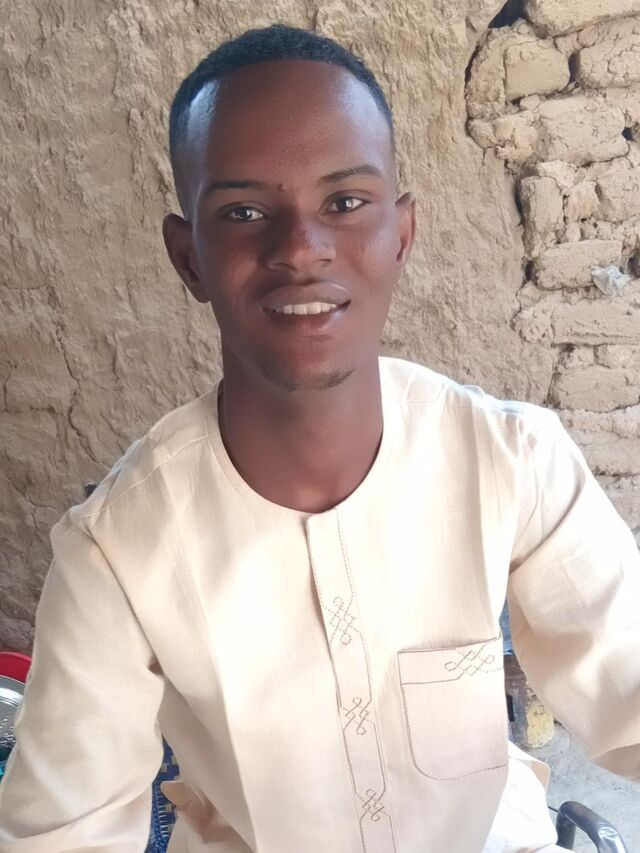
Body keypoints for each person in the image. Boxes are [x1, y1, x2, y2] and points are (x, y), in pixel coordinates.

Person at [0, 24, 638, 853]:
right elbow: (64, 835)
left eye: (344, 202)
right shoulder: (118, 551)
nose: (301, 248)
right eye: (244, 212)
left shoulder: (511, 461)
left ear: (402, 232)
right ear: (188, 258)